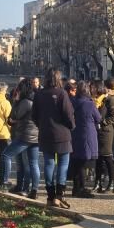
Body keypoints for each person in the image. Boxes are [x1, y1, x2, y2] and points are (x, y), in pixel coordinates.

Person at [31, 68, 76, 208]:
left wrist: (42, 124)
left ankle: (50, 195)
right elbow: (68, 114)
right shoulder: (61, 93)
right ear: (58, 78)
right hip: (62, 133)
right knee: (63, 163)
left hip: (45, 132)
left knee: (49, 164)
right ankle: (59, 194)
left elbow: (34, 115)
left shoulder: (39, 94)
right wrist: (71, 126)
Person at [3, 78, 40, 199]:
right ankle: (33, 189)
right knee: (33, 163)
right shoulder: (36, 99)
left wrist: (16, 101)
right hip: (35, 134)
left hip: (25, 134)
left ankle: (5, 181)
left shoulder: (25, 102)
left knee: (6, 155)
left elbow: (15, 116)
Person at [68, 81, 100, 199]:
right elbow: (98, 118)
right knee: (82, 163)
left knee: (76, 160)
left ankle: (76, 187)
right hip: (87, 133)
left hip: (75, 133)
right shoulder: (90, 104)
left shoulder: (72, 102)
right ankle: (80, 188)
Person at [95, 78, 114, 193]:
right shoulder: (107, 98)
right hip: (103, 130)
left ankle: (111, 183)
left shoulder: (112, 99)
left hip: (107, 130)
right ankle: (99, 182)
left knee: (107, 156)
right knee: (99, 157)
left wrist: (103, 122)